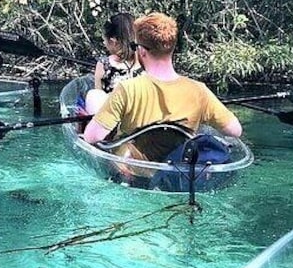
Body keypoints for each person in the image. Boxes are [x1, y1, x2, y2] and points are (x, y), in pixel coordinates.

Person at [82, 12, 242, 160]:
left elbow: (92, 137)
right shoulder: (199, 90)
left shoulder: (127, 90)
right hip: (177, 168)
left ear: (142, 51)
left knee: (94, 97)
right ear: (171, 47)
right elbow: (235, 130)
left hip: (132, 171)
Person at [84, 12, 143, 115]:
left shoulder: (103, 64)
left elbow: (98, 96)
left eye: (104, 40)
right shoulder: (146, 62)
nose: (104, 43)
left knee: (93, 95)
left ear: (113, 41)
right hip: (140, 120)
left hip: (112, 121)